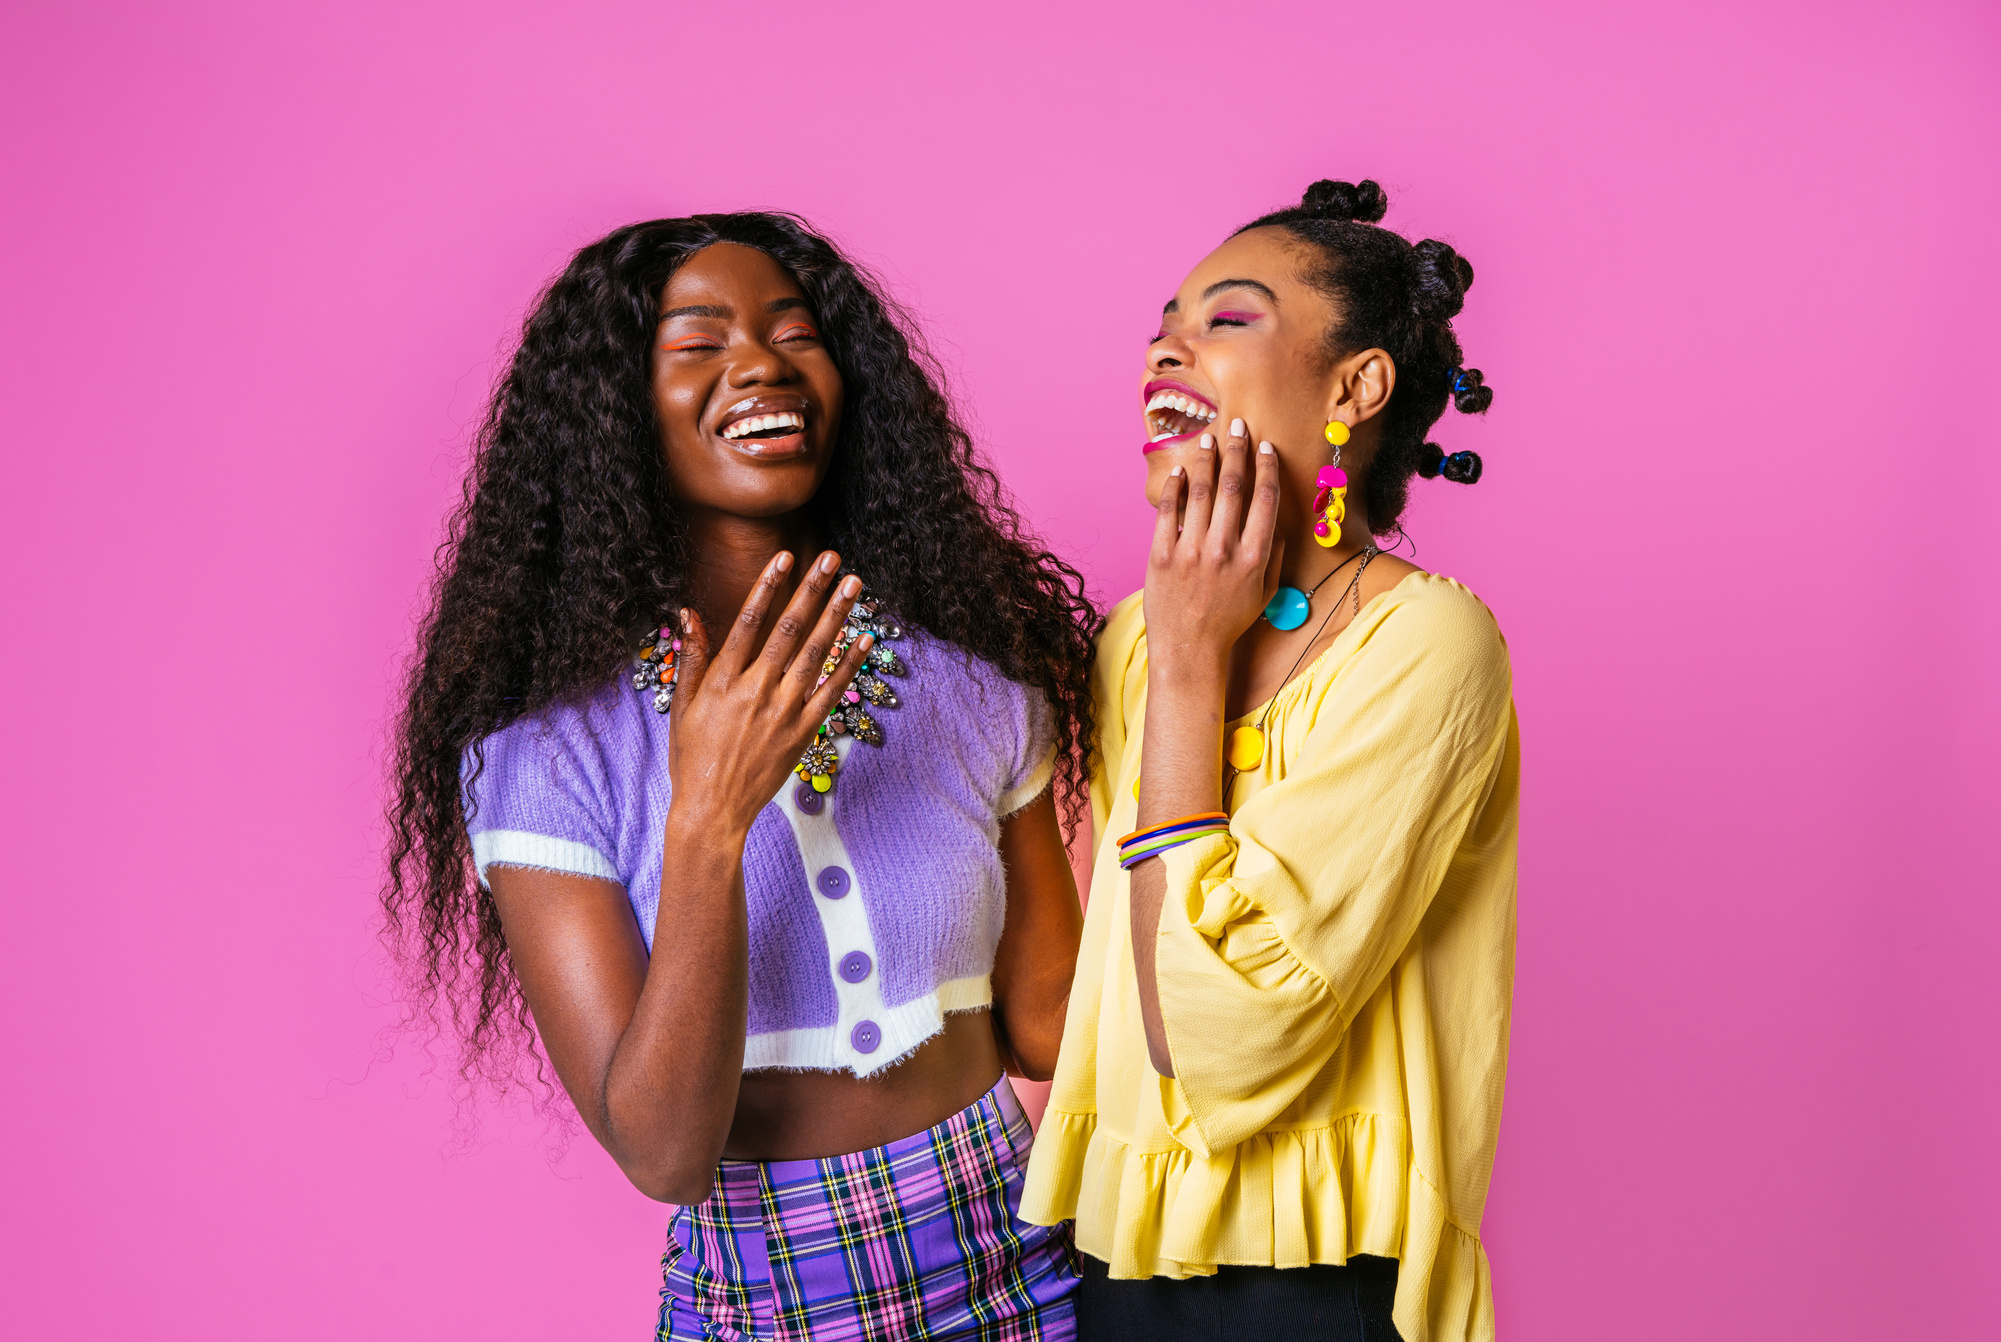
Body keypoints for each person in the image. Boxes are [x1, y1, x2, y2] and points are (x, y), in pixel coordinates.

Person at [381, 212, 1094, 1340]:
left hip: (1026, 1262)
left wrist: (1196, 702)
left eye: (792, 332)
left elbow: (1052, 1028)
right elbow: (662, 1150)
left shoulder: (973, 685)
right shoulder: (547, 754)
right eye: (699, 341)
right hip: (764, 1295)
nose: (760, 362)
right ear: (616, 411)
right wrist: (708, 815)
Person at [1020, 179, 1519, 1342]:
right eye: (1163, 324)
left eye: (1226, 320)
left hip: (1315, 1286)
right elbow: (1106, 984)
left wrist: (1196, 667)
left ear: (1356, 385)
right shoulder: (1135, 636)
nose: (1165, 347)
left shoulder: (1428, 644)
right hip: (1113, 1259)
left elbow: (1217, 1043)